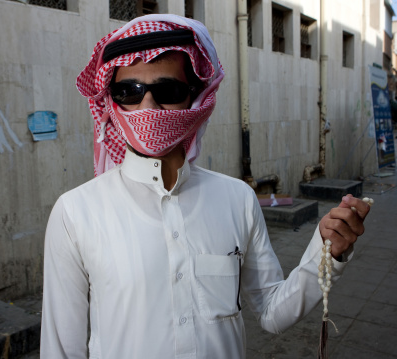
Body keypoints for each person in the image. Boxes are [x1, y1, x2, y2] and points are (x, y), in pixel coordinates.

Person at [40, 14, 370, 359]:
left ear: (196, 99)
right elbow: (62, 350)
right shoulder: (75, 213)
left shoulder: (236, 198)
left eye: (167, 91)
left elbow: (272, 312)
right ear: (111, 102)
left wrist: (327, 251)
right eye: (129, 92)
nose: (147, 107)